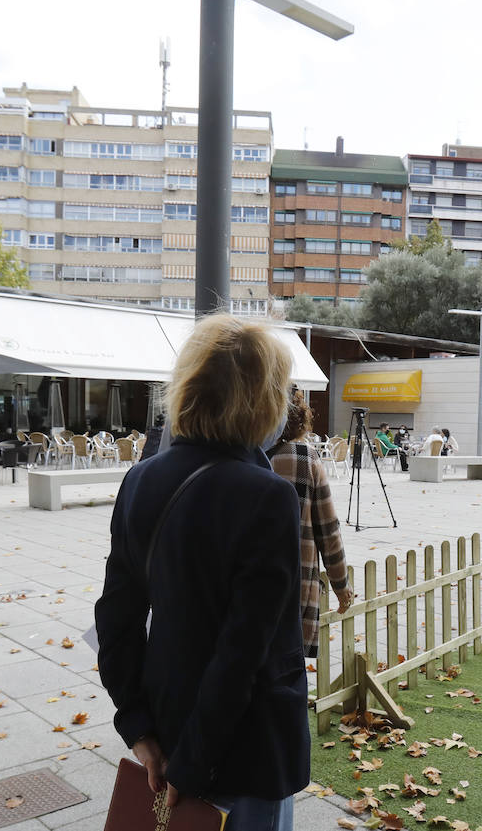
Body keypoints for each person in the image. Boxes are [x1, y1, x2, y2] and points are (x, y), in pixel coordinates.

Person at [95, 315, 310, 829]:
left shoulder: (140, 479)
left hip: (165, 724)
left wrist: (138, 727)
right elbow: (243, 650)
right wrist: (194, 764)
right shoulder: (268, 495)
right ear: (264, 399)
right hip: (246, 746)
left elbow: (115, 619)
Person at [269, 386, 355, 655]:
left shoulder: (241, 456)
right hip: (295, 586)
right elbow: (328, 529)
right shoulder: (302, 457)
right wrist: (341, 585)